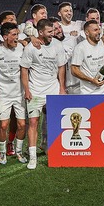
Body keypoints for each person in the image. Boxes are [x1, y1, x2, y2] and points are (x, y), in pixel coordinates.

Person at [20, 18, 67, 170]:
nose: (52, 34)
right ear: (40, 32)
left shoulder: (58, 45)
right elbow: (24, 70)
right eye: (49, 32)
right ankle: (32, 157)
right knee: (33, 122)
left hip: (53, 89)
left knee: (53, 121)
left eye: (53, 31)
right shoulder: (31, 48)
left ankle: (51, 149)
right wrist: (27, 90)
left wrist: (62, 88)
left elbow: (61, 67)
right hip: (35, 91)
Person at [0, 22, 27, 165]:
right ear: (5, 37)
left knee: (22, 125)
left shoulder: (22, 48)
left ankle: (18, 152)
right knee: (4, 125)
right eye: (13, 35)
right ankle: (3, 153)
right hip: (4, 93)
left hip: (19, 93)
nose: (17, 38)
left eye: (17, 34)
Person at [71, 20, 104, 95]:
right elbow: (74, 70)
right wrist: (91, 80)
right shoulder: (80, 48)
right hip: (88, 93)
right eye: (95, 30)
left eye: (99, 29)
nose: (99, 32)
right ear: (87, 33)